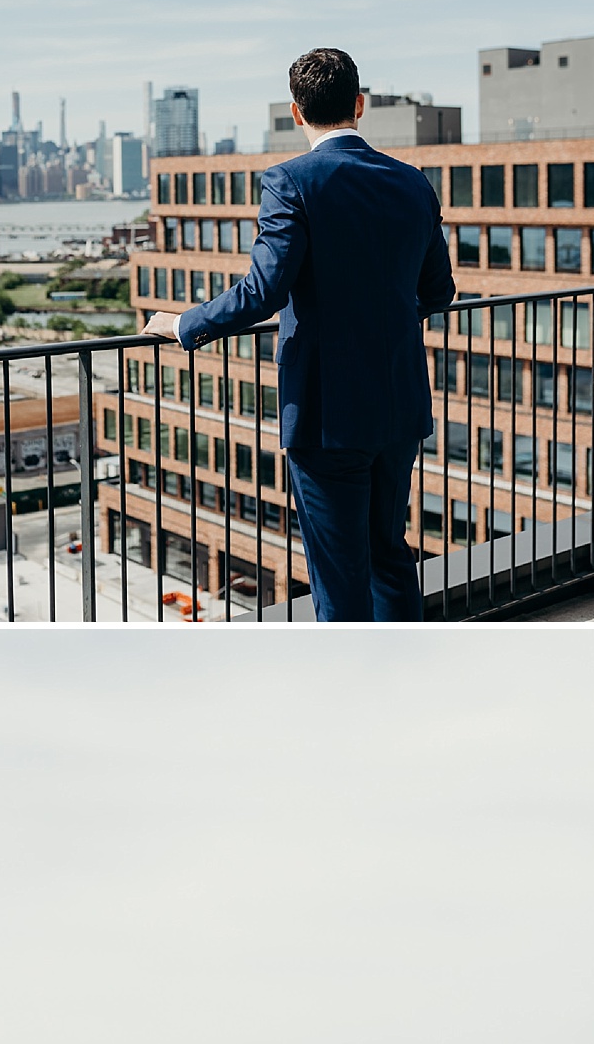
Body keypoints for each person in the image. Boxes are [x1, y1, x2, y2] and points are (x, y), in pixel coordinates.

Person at [150, 46, 454, 621]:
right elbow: (438, 292)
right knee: (390, 555)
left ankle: (346, 699)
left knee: (338, 573)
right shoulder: (413, 183)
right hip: (399, 406)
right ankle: (413, 684)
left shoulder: (290, 181)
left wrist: (183, 323)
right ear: (359, 105)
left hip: (326, 416)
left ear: (296, 111)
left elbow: (261, 293)